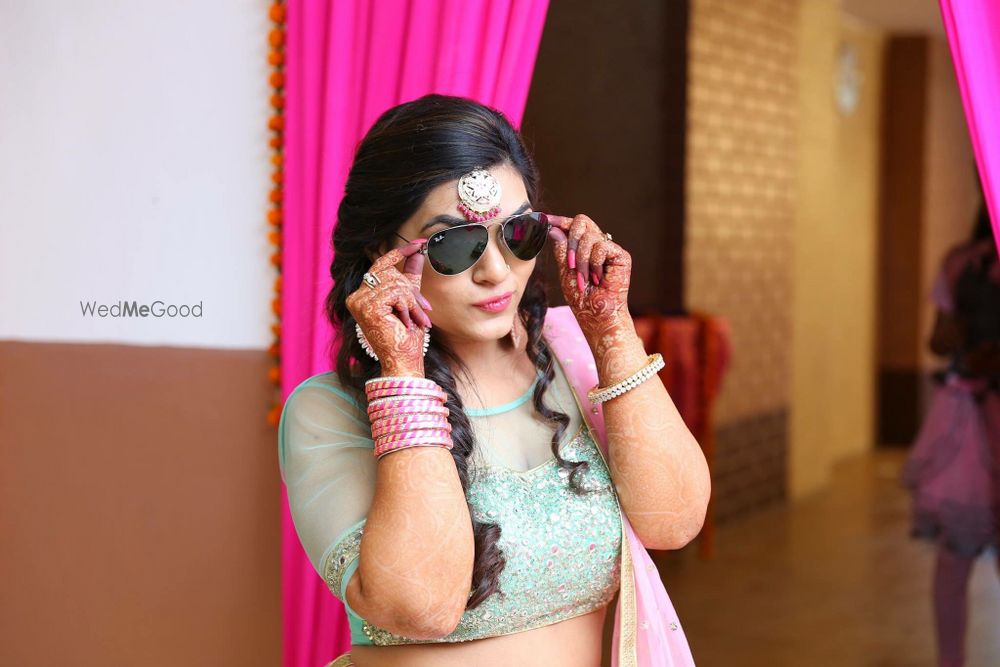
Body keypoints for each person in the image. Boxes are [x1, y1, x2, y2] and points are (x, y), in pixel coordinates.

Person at [278, 94, 710, 667]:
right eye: (454, 244)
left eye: (519, 232)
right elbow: (422, 606)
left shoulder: (574, 355)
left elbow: (673, 521)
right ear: (382, 254)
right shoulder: (328, 411)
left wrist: (611, 333)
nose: (497, 270)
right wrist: (403, 375)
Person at [901, 201, 1000, 667]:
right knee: (956, 553)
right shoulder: (964, 264)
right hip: (971, 426)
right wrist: (960, 338)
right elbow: (937, 340)